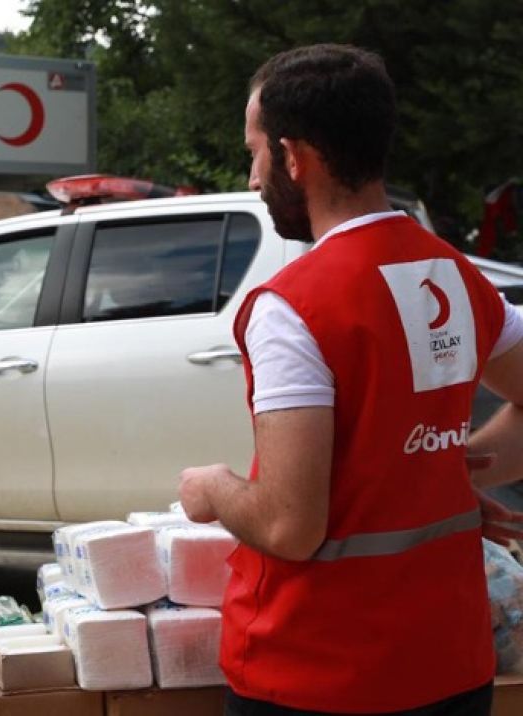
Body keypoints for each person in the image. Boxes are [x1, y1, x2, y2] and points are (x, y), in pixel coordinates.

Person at [178, 44, 523, 715]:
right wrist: (440, 478)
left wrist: (213, 487)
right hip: (448, 664)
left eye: (256, 153)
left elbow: (288, 526)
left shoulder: (293, 306)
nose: (253, 178)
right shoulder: (455, 275)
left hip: (315, 672)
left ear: (296, 158)